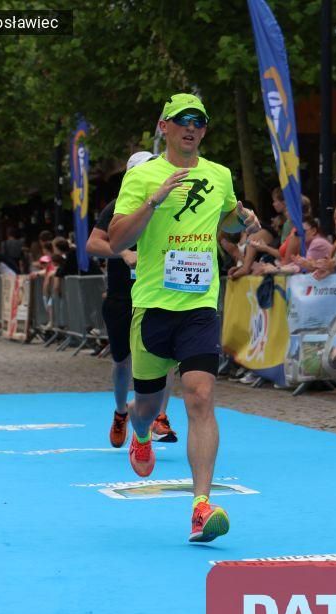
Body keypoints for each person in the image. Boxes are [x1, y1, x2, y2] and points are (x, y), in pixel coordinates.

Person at [108, 93, 260, 543]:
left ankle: (200, 506)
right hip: (152, 306)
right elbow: (116, 240)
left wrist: (243, 221)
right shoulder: (141, 176)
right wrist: (154, 201)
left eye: (199, 121)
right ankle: (139, 434)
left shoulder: (219, 175)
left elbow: (227, 219)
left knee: (200, 396)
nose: (192, 127)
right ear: (165, 127)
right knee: (147, 407)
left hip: (199, 306)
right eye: (183, 120)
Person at [87, 151, 179, 448]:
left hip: (157, 294)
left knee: (165, 359)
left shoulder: (168, 203)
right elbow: (93, 244)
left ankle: (160, 416)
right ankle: (120, 412)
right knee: (123, 362)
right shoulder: (118, 206)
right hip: (122, 296)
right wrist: (124, 252)